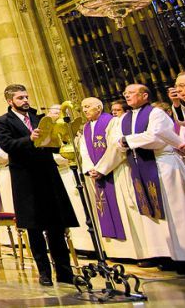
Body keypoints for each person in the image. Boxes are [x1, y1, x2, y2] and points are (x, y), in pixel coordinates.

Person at [91, 84, 185, 269]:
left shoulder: (156, 113)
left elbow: (156, 138)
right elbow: (115, 142)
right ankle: (161, 253)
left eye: (131, 93)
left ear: (144, 95)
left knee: (173, 211)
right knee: (148, 212)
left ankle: (183, 255)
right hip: (139, 167)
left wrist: (128, 140)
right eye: (125, 93)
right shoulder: (124, 119)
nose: (127, 96)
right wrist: (122, 146)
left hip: (162, 166)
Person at [0, 84, 77, 286]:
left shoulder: (38, 117)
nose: (25, 100)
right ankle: (44, 273)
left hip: (47, 174)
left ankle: (65, 273)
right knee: (35, 227)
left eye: (26, 97)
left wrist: (60, 136)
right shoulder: (4, 121)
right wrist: (29, 139)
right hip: (26, 177)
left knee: (56, 225)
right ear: (10, 101)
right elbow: (7, 145)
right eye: (20, 98)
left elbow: (52, 144)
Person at [75, 97, 133, 259]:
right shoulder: (86, 128)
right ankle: (113, 251)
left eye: (88, 106)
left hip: (114, 172)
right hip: (97, 174)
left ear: (99, 108)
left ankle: (129, 252)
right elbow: (84, 151)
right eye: (83, 107)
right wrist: (91, 169)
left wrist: (102, 169)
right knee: (103, 208)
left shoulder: (112, 122)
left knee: (121, 209)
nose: (84, 110)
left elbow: (116, 147)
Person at [44, 104, 93, 252]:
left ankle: (88, 244)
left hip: (72, 171)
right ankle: (75, 244)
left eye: (55, 113)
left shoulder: (71, 131)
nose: (51, 116)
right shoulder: (49, 133)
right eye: (51, 113)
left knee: (80, 205)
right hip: (59, 174)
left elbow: (77, 150)